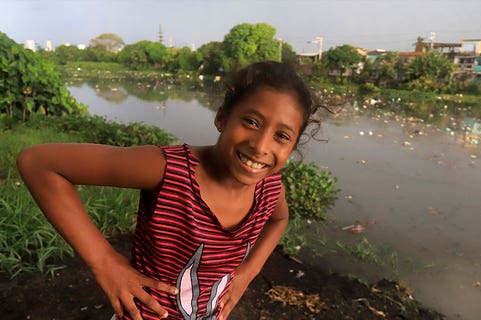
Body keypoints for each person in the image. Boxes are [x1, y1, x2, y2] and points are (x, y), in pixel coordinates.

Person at [17, 61, 321, 320]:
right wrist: (104, 261)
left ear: (292, 147)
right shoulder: (168, 170)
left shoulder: (269, 188)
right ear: (222, 117)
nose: (261, 145)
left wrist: (249, 271)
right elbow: (38, 164)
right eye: (251, 121)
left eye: (281, 135)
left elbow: (278, 220)